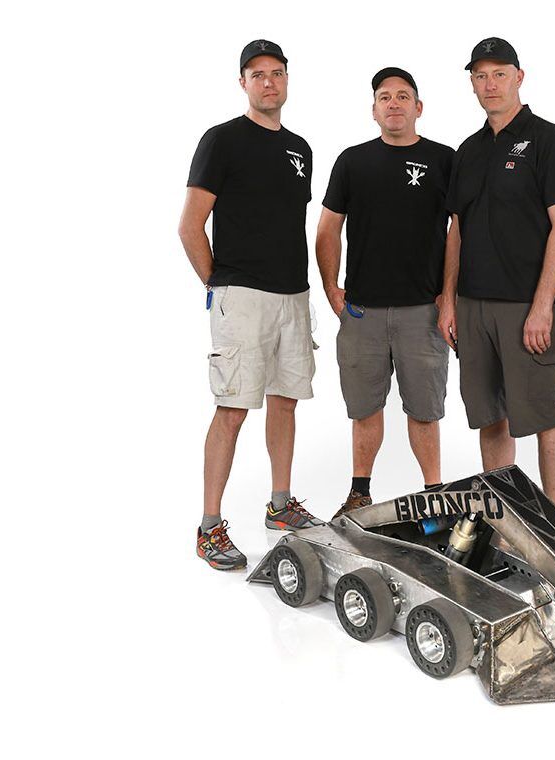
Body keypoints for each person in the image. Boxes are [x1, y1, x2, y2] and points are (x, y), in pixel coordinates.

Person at [179, 39, 324, 571]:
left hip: (294, 295)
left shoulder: (301, 148)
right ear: (243, 82)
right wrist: (218, 285)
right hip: (241, 295)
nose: (268, 82)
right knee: (233, 408)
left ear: (287, 80)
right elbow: (190, 226)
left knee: (285, 400)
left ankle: (280, 506)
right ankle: (209, 527)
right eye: (258, 74)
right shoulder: (222, 140)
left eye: (277, 73)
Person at [437, 38, 555, 509]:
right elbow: (457, 230)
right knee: (490, 417)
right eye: (480, 76)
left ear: (519, 77)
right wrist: (448, 301)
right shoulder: (468, 150)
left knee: (544, 415)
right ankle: (507, 517)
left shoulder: (550, 141)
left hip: (526, 305)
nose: (490, 84)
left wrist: (544, 306)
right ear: (472, 84)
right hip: (472, 306)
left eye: (499, 74)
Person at [316, 67, 455, 516]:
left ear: (419, 107)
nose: (393, 103)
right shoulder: (352, 161)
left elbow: (459, 232)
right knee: (364, 408)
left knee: (425, 410)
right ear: (373, 110)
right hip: (362, 312)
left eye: (403, 96)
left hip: (423, 310)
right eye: (384, 97)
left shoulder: (444, 159)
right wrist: (332, 289)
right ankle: (360, 491)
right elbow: (328, 229)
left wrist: (448, 295)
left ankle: (434, 493)